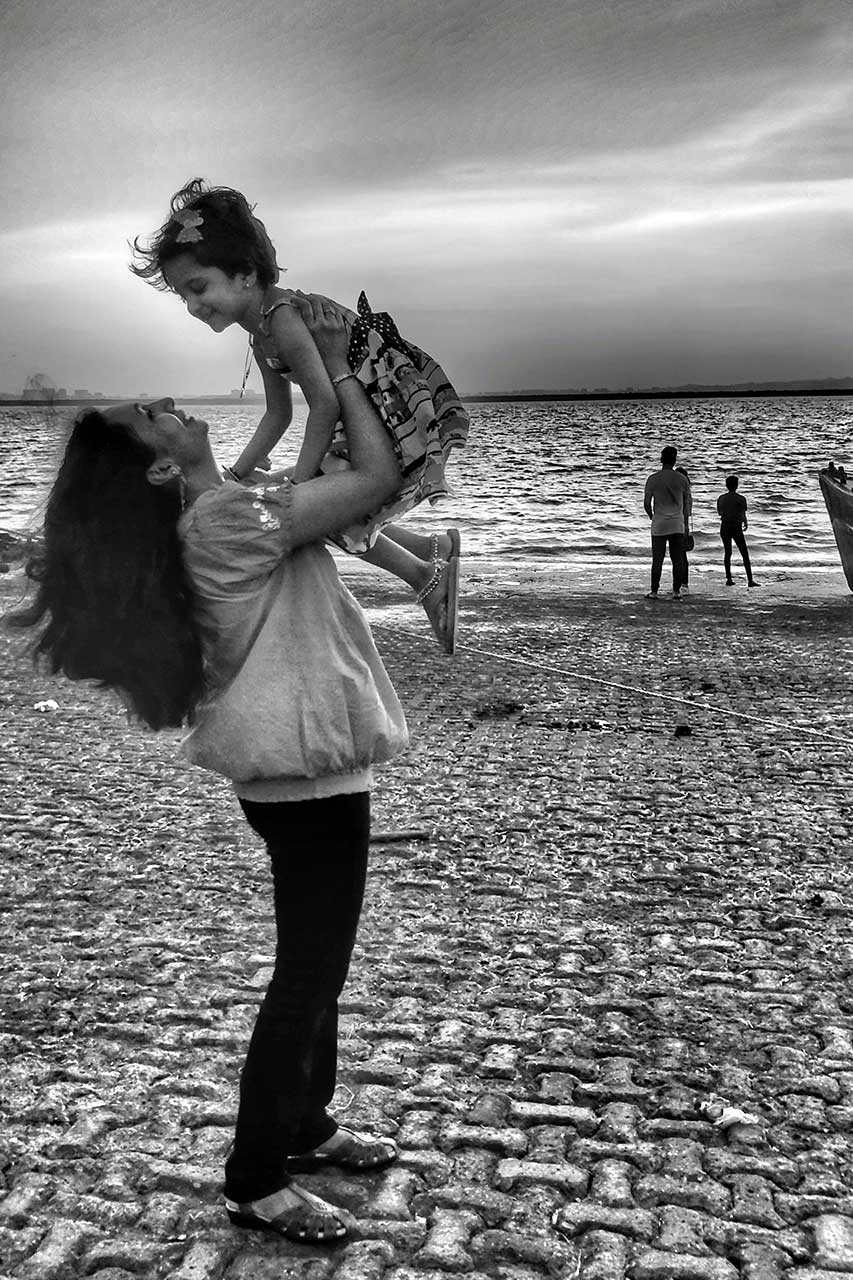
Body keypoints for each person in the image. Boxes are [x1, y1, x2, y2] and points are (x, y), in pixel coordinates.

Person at [11, 297, 411, 1244]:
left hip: (291, 777)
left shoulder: (213, 509)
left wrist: (294, 374)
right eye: (155, 413)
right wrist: (340, 367)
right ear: (158, 463)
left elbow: (287, 440)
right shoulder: (228, 522)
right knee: (308, 976)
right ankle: (256, 1178)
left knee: (320, 967)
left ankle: (307, 1127)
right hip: (304, 781)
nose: (170, 405)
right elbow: (377, 475)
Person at [130, 179, 468, 652]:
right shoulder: (260, 332)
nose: (192, 305)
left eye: (198, 287)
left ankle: (425, 573)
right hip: (362, 416)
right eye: (184, 295)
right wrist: (238, 473)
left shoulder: (284, 318)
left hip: (387, 413)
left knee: (320, 504)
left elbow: (325, 402)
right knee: (314, 501)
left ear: (245, 273)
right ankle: (430, 553)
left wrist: (301, 484)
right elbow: (278, 414)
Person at [643, 446, 691, 599]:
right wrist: (686, 525)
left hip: (659, 523)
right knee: (677, 560)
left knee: (657, 559)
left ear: (661, 459)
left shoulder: (653, 478)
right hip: (677, 523)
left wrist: (652, 515)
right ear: (674, 460)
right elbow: (687, 505)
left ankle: (654, 591)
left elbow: (646, 503)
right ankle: (676, 591)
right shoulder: (682, 479)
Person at [717, 475, 757, 587]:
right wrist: (745, 522)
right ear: (737, 485)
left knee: (727, 552)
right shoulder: (741, 499)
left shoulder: (721, 498)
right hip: (736, 527)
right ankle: (750, 580)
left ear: (726, 485)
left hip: (724, 526)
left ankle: (729, 578)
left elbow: (719, 513)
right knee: (744, 553)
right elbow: (742, 514)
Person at [675, 465, 693, 595]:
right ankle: (681, 582)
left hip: (679, 524)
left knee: (679, 556)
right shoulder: (687, 492)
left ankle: (682, 582)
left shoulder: (683, 493)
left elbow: (686, 512)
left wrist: (685, 527)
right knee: (680, 556)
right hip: (681, 524)